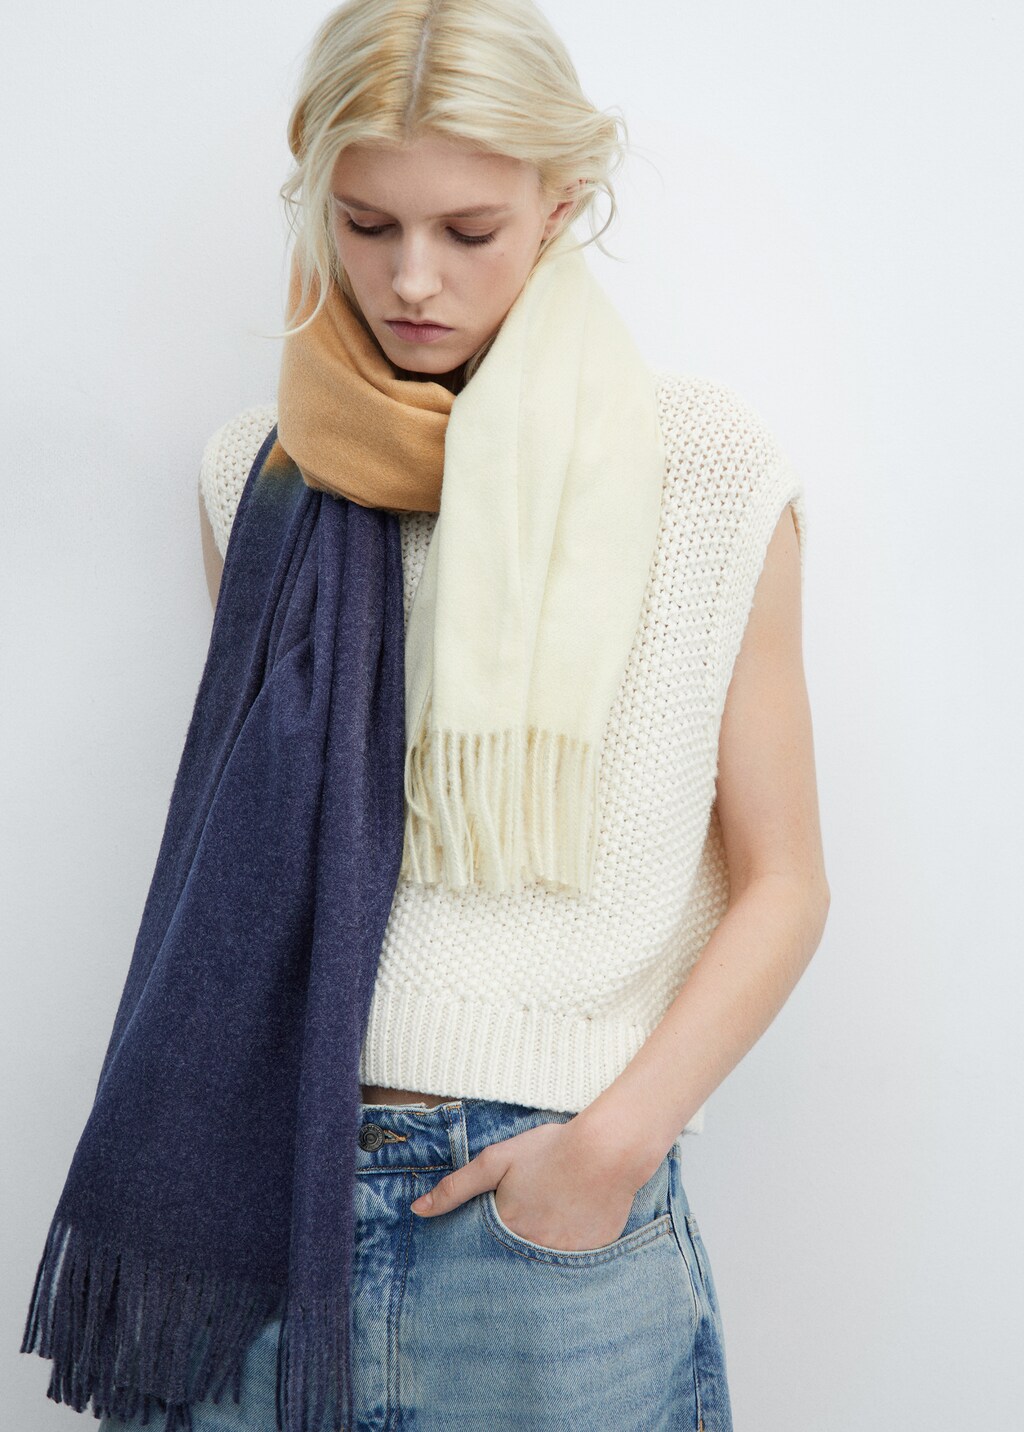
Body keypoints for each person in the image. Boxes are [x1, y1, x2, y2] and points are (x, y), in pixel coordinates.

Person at [25, 2, 829, 1430]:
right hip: (259, 1187)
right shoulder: (257, 476)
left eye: (468, 231)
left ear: (561, 203)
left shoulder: (705, 468)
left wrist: (608, 1152)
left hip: (548, 1238)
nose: (411, 278)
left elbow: (786, 881)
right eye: (366, 224)